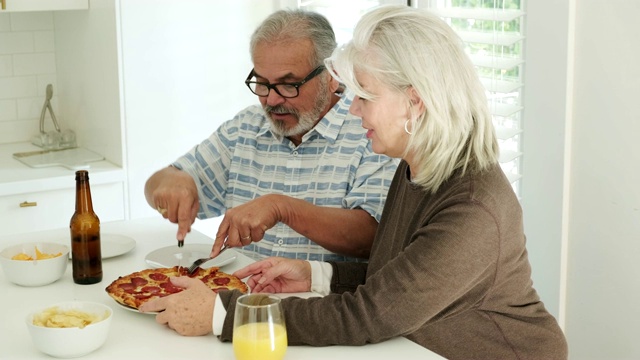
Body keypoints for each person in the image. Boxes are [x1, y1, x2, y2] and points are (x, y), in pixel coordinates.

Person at [140, 5, 568, 359]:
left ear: (414, 102)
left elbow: (370, 314)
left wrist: (226, 313)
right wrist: (314, 275)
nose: (351, 109)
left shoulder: (472, 206)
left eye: (364, 95)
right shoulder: (417, 167)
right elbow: (392, 279)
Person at [144, 10, 397, 262]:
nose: (272, 99)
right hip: (239, 298)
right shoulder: (245, 128)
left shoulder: (370, 130)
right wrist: (171, 183)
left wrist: (282, 208)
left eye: (289, 84)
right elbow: (159, 182)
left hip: (321, 300)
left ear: (332, 75)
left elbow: (373, 235)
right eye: (262, 83)